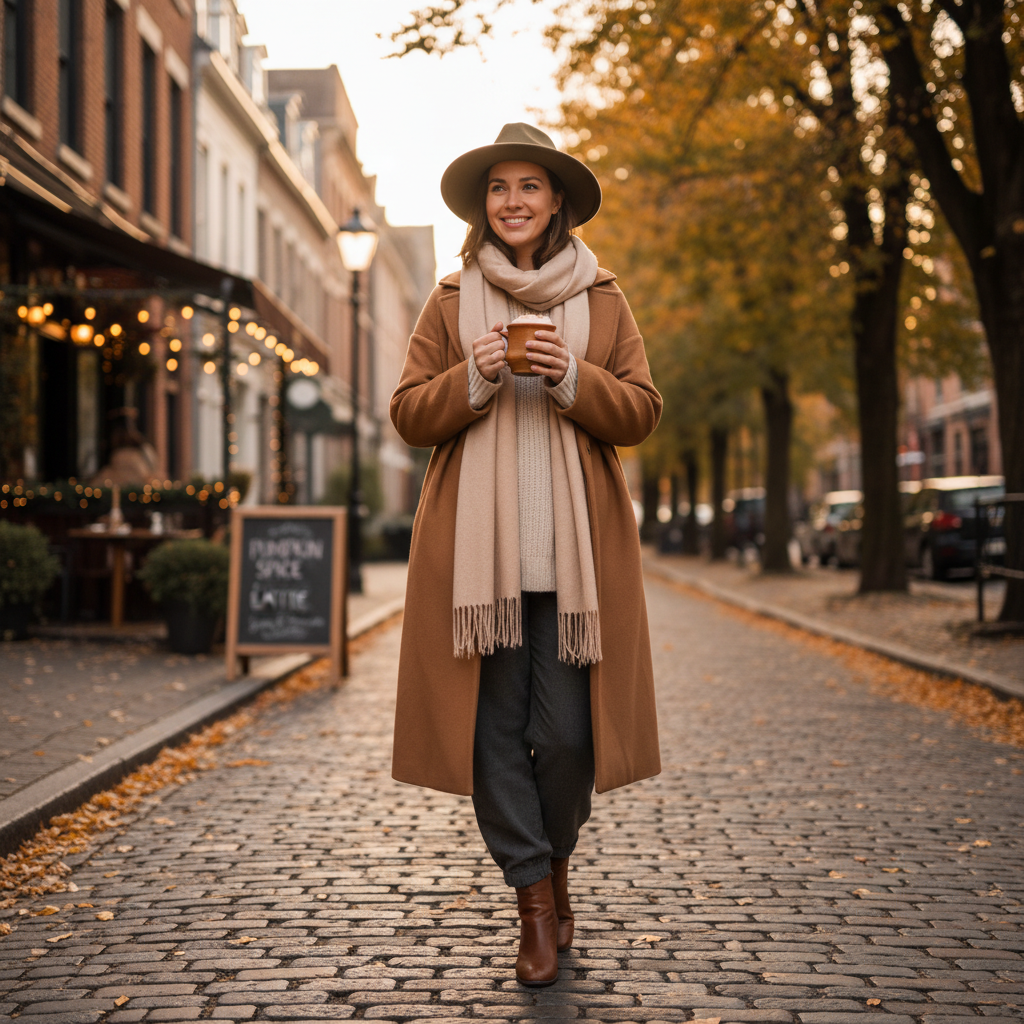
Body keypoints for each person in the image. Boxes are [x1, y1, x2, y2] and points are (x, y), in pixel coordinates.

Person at [389, 123, 662, 987]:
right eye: (499, 187)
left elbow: (644, 412)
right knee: (493, 736)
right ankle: (534, 906)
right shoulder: (446, 299)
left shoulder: (603, 298)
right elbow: (407, 414)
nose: (512, 200)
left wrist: (575, 380)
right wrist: (470, 380)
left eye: (528, 187)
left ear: (556, 203)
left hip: (576, 564)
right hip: (478, 571)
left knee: (569, 738)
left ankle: (554, 862)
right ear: (484, 205)